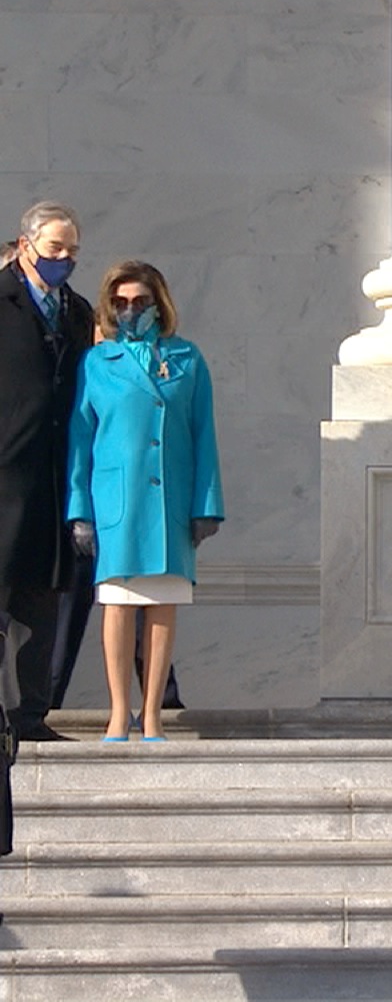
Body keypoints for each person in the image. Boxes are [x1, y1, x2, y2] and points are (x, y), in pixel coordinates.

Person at [66, 261, 224, 742]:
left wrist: (206, 505)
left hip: (168, 497)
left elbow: (203, 434)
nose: (130, 310)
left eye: (140, 302)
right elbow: (80, 439)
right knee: (118, 603)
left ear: (159, 304)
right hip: (117, 499)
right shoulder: (98, 362)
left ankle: (152, 713)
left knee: (161, 603)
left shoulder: (186, 358)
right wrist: (79, 510)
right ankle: (119, 712)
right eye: (120, 303)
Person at [1, 201, 94, 743]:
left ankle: (30, 714)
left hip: (55, 478)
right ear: (26, 244)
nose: (64, 259)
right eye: (55, 248)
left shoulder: (77, 312)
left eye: (72, 251)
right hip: (5, 473)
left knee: (42, 599)